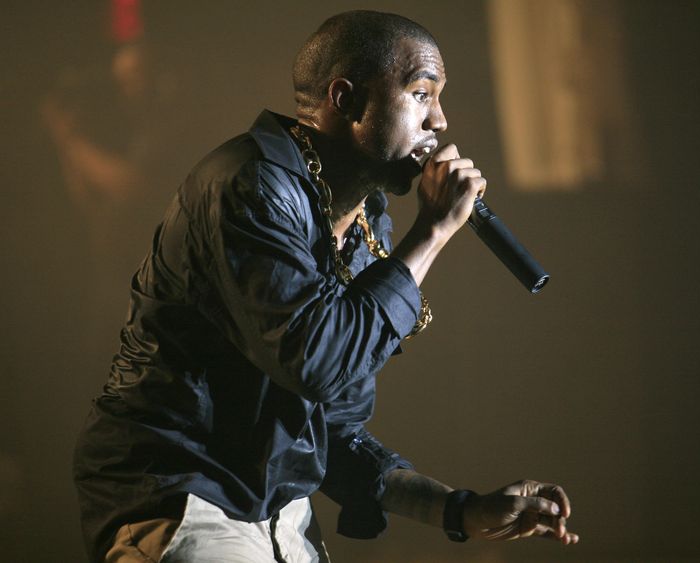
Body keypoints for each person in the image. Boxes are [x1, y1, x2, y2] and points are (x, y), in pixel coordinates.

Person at [74, 10, 579, 562]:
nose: (440, 120)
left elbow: (332, 431)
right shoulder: (249, 186)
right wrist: (432, 232)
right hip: (181, 493)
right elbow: (315, 361)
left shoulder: (365, 221)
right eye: (419, 93)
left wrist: (461, 511)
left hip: (279, 513)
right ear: (346, 100)